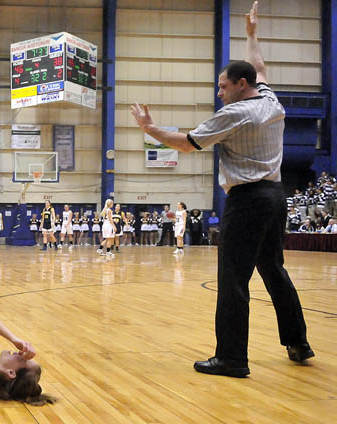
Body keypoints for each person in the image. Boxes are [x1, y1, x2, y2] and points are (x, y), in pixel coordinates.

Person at [130, 1, 312, 377]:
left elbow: (186, 143)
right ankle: (298, 342)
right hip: (276, 198)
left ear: (239, 85)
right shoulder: (271, 100)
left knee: (232, 278)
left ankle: (231, 358)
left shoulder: (234, 113)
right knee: (274, 269)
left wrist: (150, 129)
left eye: (223, 85)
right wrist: (251, 35)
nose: (219, 93)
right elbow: (260, 67)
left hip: (247, 201)